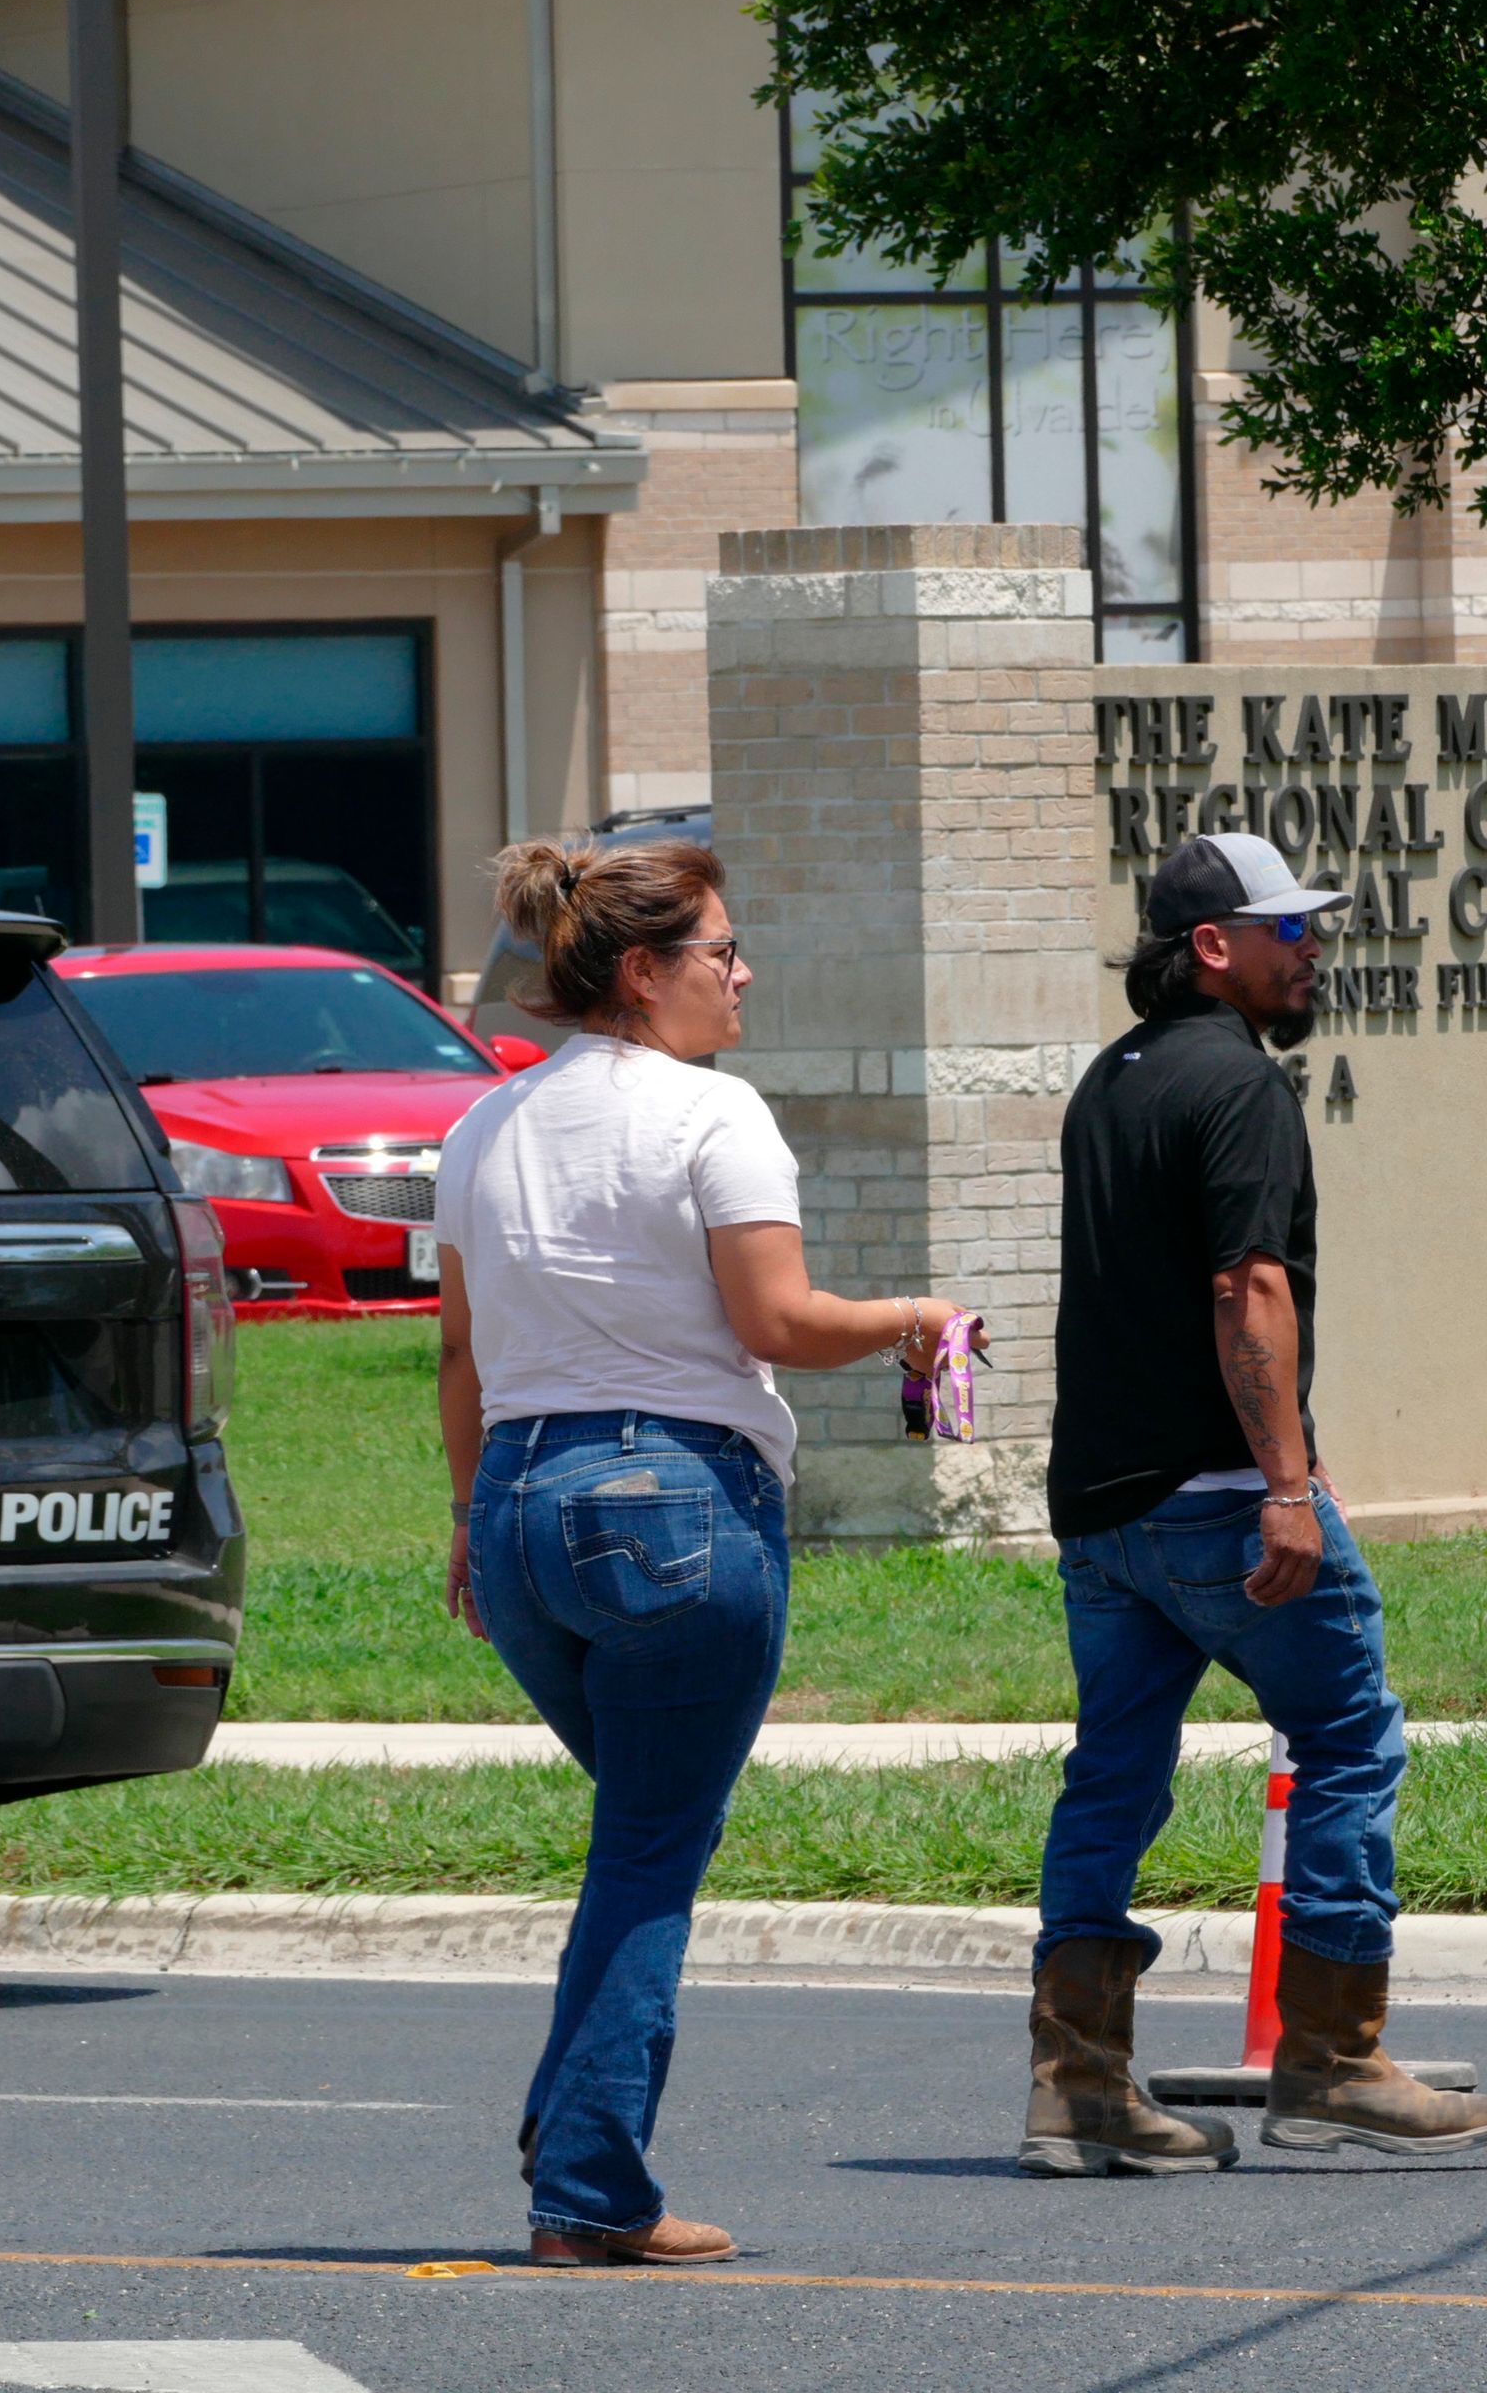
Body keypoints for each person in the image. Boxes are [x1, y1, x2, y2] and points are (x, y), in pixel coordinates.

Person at [435, 836, 980, 2266]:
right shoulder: (711, 1113)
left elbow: (459, 1359)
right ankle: (590, 2188)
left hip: (521, 1504)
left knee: (640, 1834)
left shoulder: (484, 1126)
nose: (744, 974)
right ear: (642, 971)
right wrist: (915, 1314)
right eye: (722, 951)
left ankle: (570, 2126)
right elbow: (777, 1323)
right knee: (651, 1852)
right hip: (672, 1507)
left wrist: (466, 1524)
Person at [1026, 831, 1487, 2171]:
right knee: (1350, 1737)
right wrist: (1286, 1485)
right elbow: (1248, 1289)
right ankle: (1334, 2061)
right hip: (1223, 1498)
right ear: (1212, 951)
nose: (1313, 950)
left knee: (1112, 1779)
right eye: (1289, 930)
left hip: (1102, 1505)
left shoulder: (1109, 1082)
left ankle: (1076, 2093)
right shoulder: (1238, 1086)